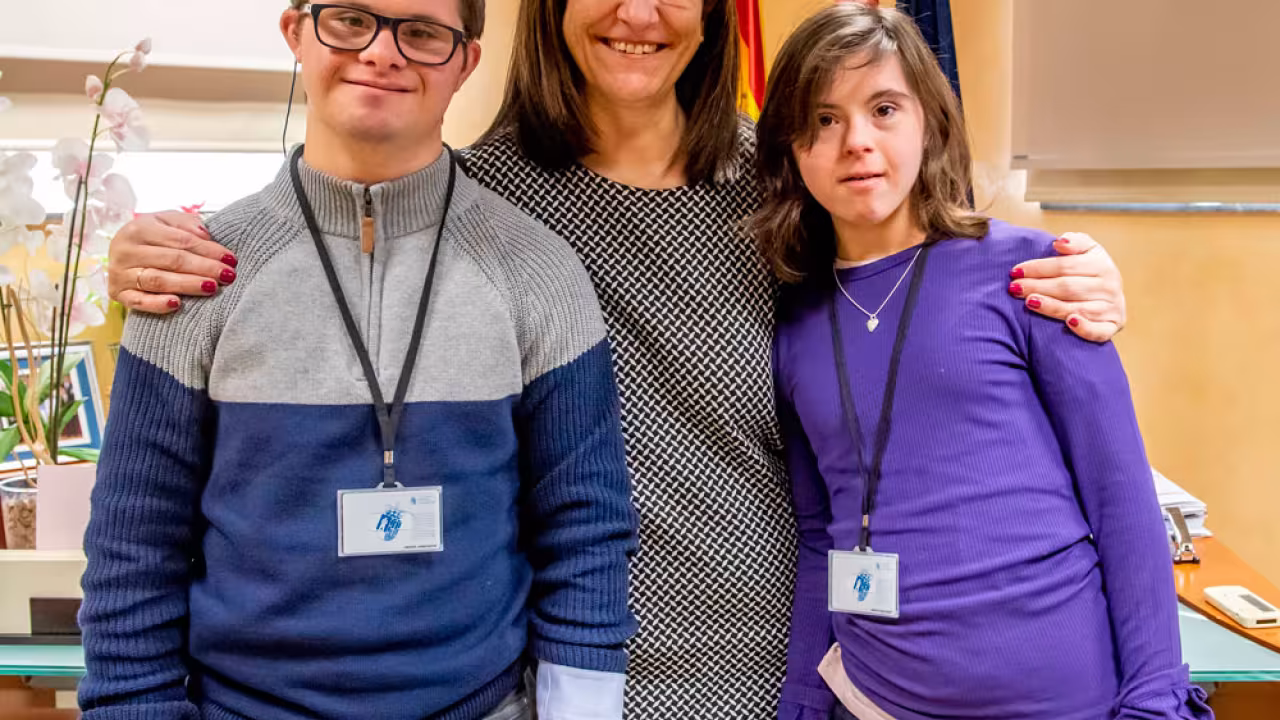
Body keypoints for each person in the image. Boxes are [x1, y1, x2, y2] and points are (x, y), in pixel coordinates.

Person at [100, 0, 1130, 716]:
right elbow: (345, 208)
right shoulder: (481, 202)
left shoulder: (784, 185)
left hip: (773, 660)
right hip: (558, 670)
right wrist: (154, 244)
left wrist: (1069, 275)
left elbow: (914, 293)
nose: (637, 11)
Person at [78, 1, 637, 719]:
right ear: (295, 34)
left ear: (465, 61)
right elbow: (134, 546)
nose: (382, 52)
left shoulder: (539, 272)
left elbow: (584, 528)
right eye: (349, 20)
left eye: (423, 33)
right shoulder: (192, 271)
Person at [758, 5, 1211, 719]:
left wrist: (1156, 696)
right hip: (875, 701)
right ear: (789, 147)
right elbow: (821, 534)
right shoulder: (795, 324)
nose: (856, 142)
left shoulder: (1033, 273)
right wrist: (804, 702)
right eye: (822, 119)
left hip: (1063, 701)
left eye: (883, 109)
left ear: (930, 122)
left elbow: (1121, 499)